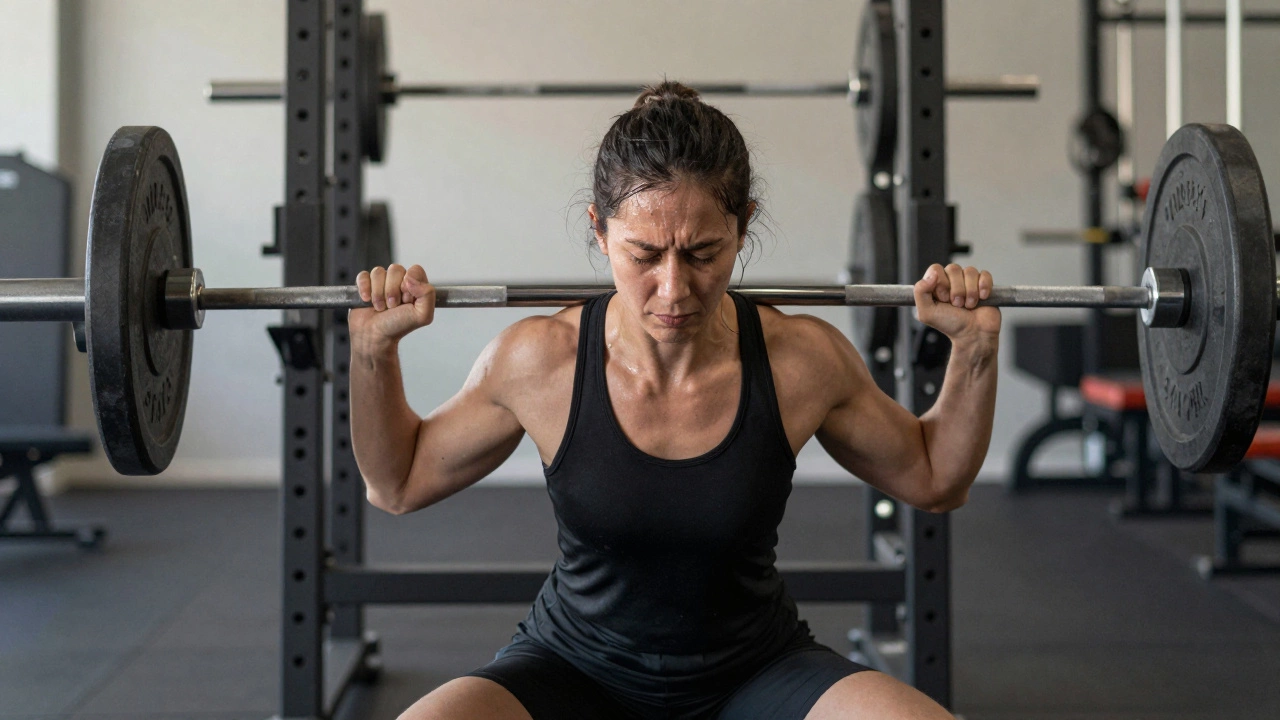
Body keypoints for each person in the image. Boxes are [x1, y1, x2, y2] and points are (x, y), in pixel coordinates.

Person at [349, 81, 998, 720]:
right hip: (574, 669)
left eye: (702, 253)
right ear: (600, 232)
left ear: (743, 226)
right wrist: (373, 355)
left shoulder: (800, 359)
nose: (673, 287)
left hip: (758, 670)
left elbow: (934, 475)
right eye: (644, 254)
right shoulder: (540, 359)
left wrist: (973, 352)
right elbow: (397, 481)